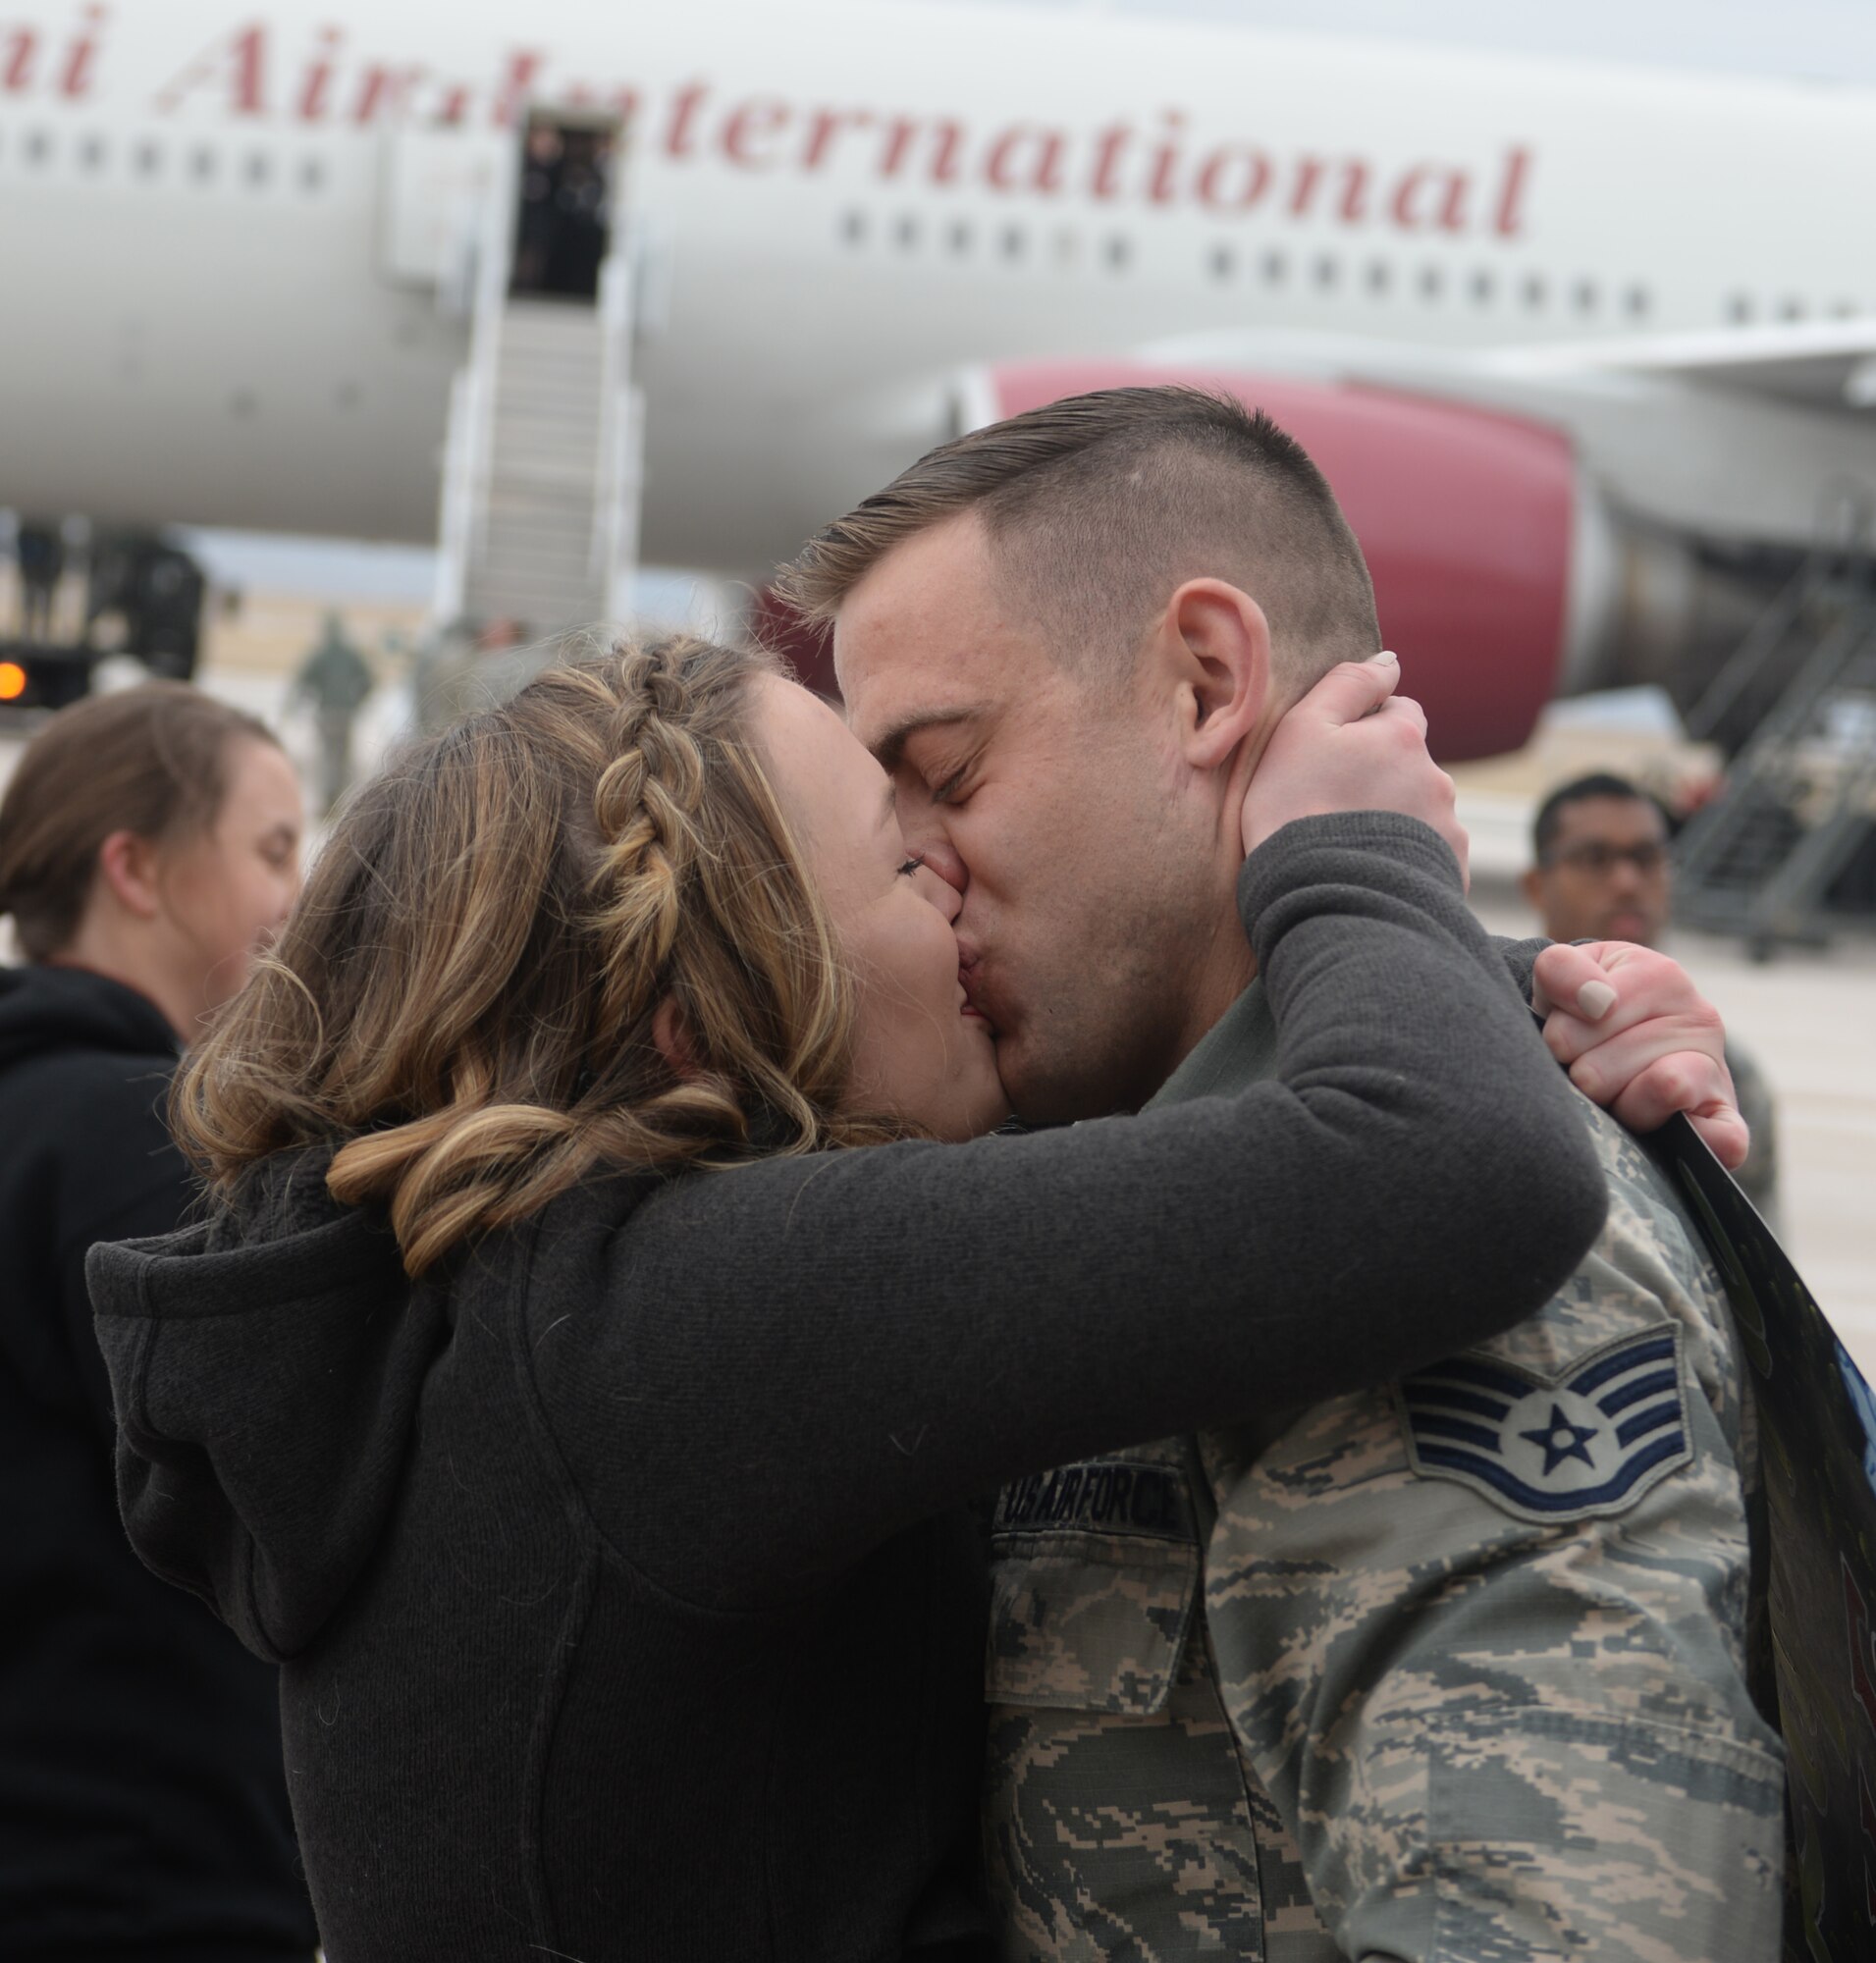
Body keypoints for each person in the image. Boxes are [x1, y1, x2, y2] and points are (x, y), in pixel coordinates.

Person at [86, 632, 1653, 1962]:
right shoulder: (673, 1329)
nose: (960, 890)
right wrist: (1352, 857)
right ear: (693, 1016)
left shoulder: (505, 1322)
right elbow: (1436, 1169)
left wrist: (1518, 999)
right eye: (907, 863)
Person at [782, 385, 1785, 1962]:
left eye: (949, 774)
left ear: (1203, 682)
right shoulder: (1124, 1160)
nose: (917, 860)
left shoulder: (1443, 1258)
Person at [0, 682, 312, 1958]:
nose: (295, 901)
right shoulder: (136, 1142)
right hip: (138, 1879)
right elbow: (289, 1487)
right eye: (273, 850)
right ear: (136, 868)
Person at [1525, 769, 1782, 1226]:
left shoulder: (1724, 1069)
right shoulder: (1499, 1033)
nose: (1626, 882)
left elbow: (1755, 1258)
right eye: (1594, 858)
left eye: (1646, 858)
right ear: (1537, 885)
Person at [292, 610, 376, 815]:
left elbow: (303, 681)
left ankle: (329, 802)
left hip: (327, 714)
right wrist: (356, 702)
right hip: (345, 714)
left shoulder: (321, 654)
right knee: (342, 758)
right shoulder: (351, 654)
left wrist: (301, 704)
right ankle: (338, 802)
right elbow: (370, 680)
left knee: (328, 757)